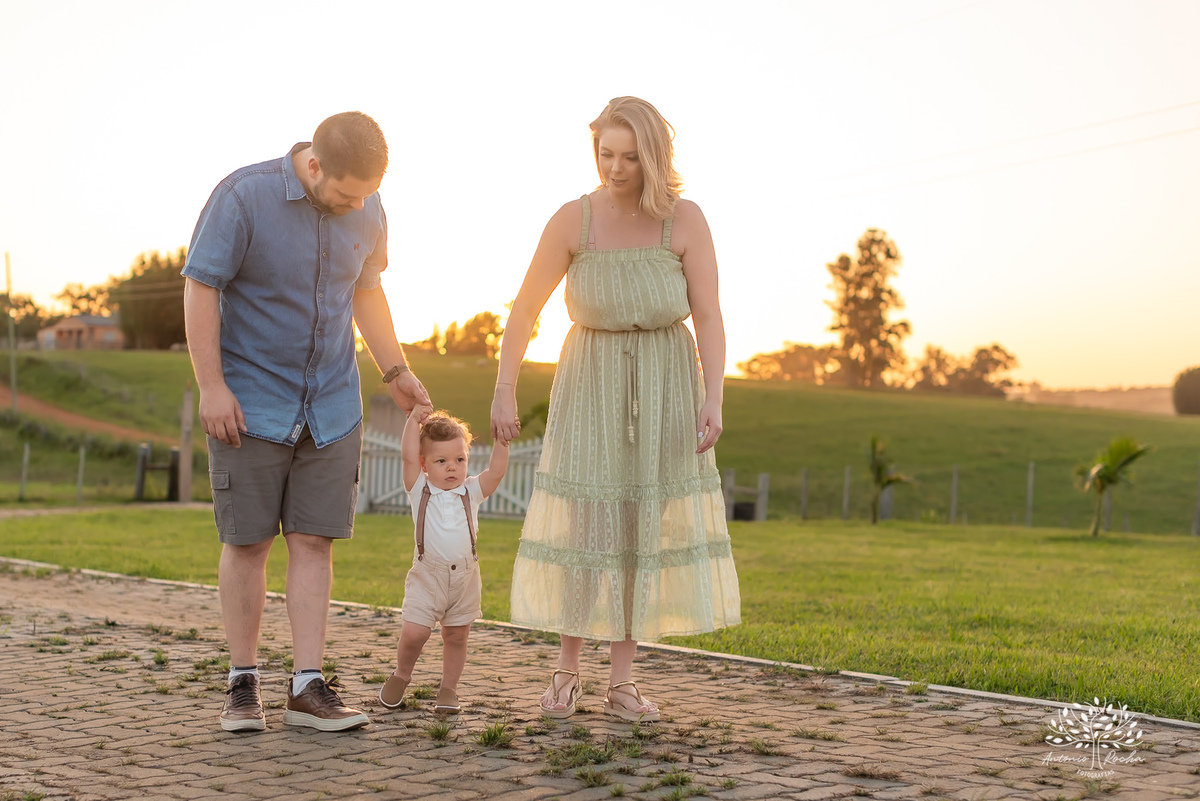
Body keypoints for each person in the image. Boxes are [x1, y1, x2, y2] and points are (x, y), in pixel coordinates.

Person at [490, 97, 741, 722]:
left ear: (655, 157)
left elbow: (708, 314)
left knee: (636, 531)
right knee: (585, 526)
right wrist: (503, 389)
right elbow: (523, 312)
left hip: (665, 383)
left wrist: (714, 396)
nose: (616, 167)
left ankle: (622, 683)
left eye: (631, 156)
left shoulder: (683, 220)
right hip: (588, 381)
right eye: (606, 154)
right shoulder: (572, 220)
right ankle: (565, 676)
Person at [182, 111, 430, 733]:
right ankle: (243, 686)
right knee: (247, 543)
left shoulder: (369, 208)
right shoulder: (243, 196)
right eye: (347, 194)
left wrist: (394, 369)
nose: (357, 206)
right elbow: (201, 286)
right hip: (250, 404)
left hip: (332, 403)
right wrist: (211, 387)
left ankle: (306, 688)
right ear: (314, 165)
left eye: (366, 196)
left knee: (314, 541)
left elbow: (366, 291)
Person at [378, 406, 509, 714]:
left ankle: (448, 689)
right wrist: (413, 421)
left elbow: (497, 472)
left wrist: (502, 441)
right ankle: (402, 674)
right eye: (441, 461)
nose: (452, 468)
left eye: (459, 460)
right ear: (425, 465)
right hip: (428, 575)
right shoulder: (419, 489)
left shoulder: (471, 490)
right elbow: (408, 456)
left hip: (465, 577)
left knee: (456, 635)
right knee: (415, 632)